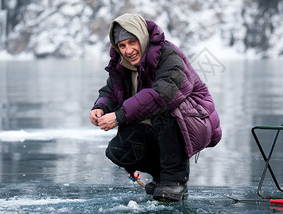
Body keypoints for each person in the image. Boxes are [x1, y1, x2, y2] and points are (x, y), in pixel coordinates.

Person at [89, 13, 221, 201]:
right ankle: (161, 177)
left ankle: (175, 181)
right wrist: (100, 107)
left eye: (132, 42)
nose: (128, 50)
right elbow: (111, 91)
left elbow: (161, 95)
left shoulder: (168, 55)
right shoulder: (123, 65)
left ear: (142, 37)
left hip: (195, 119)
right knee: (117, 150)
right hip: (159, 124)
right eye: (122, 46)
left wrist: (119, 116)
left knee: (164, 110)